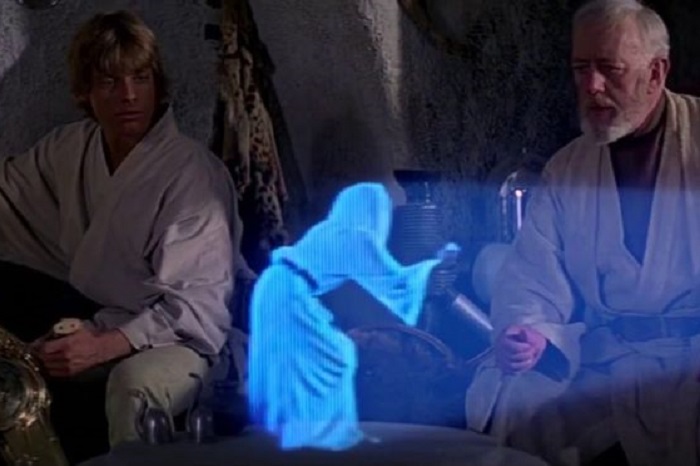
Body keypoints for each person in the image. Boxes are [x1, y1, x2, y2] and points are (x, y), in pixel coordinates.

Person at [0, 10, 242, 463]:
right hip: (105, 320)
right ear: (85, 92)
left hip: (186, 339)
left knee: (134, 384)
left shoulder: (191, 173)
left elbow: (197, 307)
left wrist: (100, 346)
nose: (129, 95)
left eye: (141, 79)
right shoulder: (71, 149)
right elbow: (8, 197)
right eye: (110, 82)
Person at [465, 1, 700, 465]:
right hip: (610, 360)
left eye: (610, 69)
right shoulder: (568, 168)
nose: (592, 86)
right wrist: (529, 334)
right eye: (580, 69)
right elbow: (531, 278)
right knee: (516, 407)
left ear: (656, 73)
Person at [248, 182, 458, 451]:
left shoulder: (332, 230)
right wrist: (434, 266)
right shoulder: (354, 237)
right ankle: (318, 435)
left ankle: (302, 432)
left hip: (275, 289)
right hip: (289, 295)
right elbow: (393, 283)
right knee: (334, 357)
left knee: (293, 359)